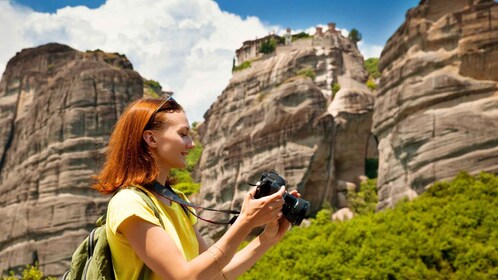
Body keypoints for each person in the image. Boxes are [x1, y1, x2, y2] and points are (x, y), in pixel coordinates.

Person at [92, 96, 300, 279]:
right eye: (183, 134)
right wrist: (245, 222)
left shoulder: (176, 201)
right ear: (151, 138)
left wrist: (266, 240)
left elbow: (216, 276)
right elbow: (184, 277)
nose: (191, 144)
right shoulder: (129, 203)